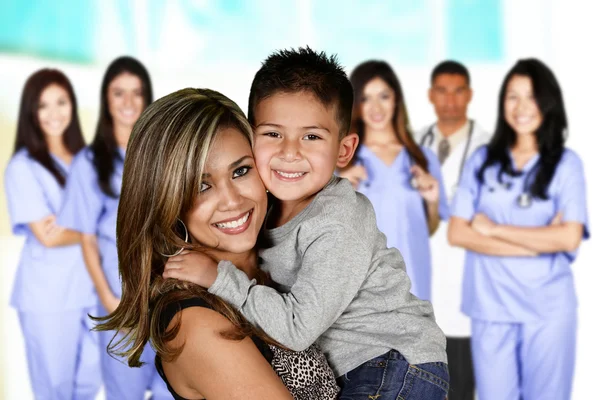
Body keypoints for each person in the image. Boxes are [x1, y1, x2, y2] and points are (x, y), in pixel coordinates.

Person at [165, 47, 449, 400]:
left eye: (311, 137)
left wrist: (218, 277)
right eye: (272, 134)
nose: (289, 152)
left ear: (344, 151)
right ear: (249, 136)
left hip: (393, 363)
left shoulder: (337, 221)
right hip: (366, 367)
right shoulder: (265, 210)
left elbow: (296, 330)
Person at [94, 87, 340, 399]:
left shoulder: (291, 260)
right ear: (166, 204)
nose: (232, 200)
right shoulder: (195, 322)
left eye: (240, 171)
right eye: (202, 186)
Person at [448, 58, 588, 400]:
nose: (521, 107)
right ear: (502, 103)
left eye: (531, 96)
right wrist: (539, 243)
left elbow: (569, 237)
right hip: (491, 308)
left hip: (548, 310)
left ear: (548, 102)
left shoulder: (566, 165)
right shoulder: (483, 161)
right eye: (512, 96)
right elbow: (458, 233)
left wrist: (493, 230)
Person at [58, 56, 169, 399]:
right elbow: (87, 239)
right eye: (118, 93)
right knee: (126, 390)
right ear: (106, 99)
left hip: (164, 297)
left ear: (147, 97)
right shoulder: (90, 163)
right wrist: (109, 300)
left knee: (174, 389)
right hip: (119, 299)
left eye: (136, 93)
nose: (128, 102)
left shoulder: (162, 155)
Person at [4, 69, 100, 399]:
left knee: (91, 379)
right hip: (48, 298)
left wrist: (75, 226)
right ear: (31, 112)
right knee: (55, 390)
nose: (54, 112)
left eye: (61, 102)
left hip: (90, 290)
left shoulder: (87, 160)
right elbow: (48, 236)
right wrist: (94, 226)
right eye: (43, 105)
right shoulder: (22, 167)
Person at [339, 60, 449, 301]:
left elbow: (425, 229)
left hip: (413, 279)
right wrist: (337, 189)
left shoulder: (422, 159)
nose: (376, 107)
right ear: (356, 104)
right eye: (366, 98)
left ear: (396, 99)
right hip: (364, 285)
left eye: (384, 96)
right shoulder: (342, 161)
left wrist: (432, 202)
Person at [414, 60, 490, 400]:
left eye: (458, 91)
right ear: (431, 95)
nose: (450, 100)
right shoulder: (414, 145)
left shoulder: (489, 150)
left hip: (467, 293)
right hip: (419, 289)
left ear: (469, 95)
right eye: (442, 91)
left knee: (461, 387)